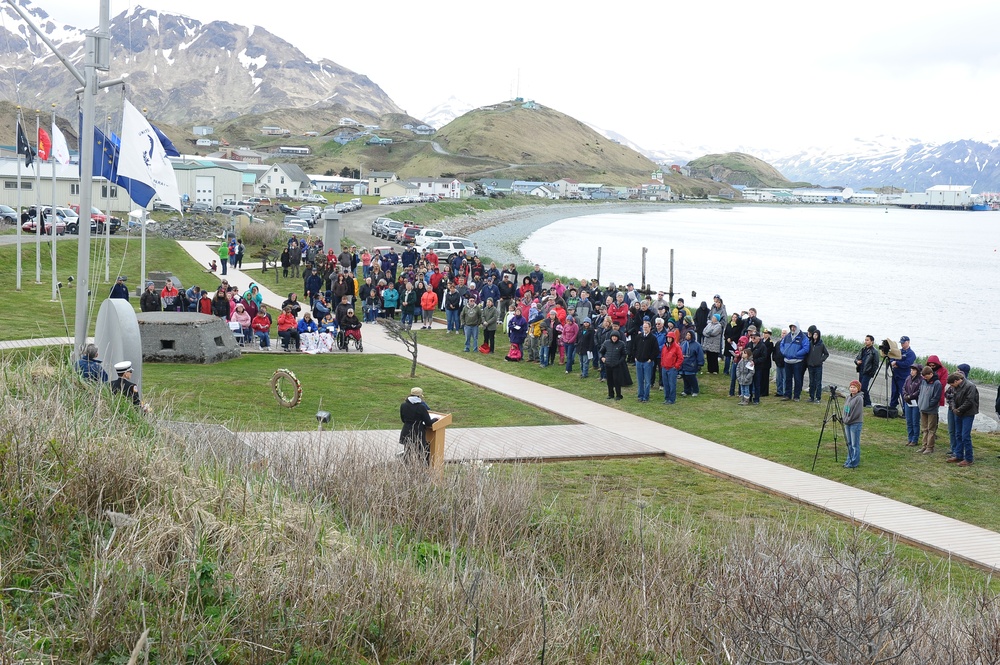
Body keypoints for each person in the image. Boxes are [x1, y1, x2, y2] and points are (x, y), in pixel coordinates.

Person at [947, 372, 979, 467]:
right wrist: (953, 408)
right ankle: (959, 455)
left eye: (952, 384)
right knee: (958, 434)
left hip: (968, 414)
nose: (952, 386)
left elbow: (969, 401)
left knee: (965, 436)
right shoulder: (955, 387)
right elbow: (951, 398)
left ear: (957, 381)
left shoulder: (970, 386)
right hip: (957, 413)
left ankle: (969, 458)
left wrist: (959, 410)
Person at [400, 387, 436, 464]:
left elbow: (403, 419)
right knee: (421, 452)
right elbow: (428, 422)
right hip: (418, 431)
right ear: (419, 396)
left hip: (406, 430)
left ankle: (406, 468)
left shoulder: (403, 405)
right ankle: (423, 468)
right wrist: (435, 419)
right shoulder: (421, 407)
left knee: (408, 452)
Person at [779, 323, 810, 401]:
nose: (793, 329)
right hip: (787, 361)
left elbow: (806, 348)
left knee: (797, 379)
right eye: (791, 327)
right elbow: (781, 345)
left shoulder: (803, 337)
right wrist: (784, 352)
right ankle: (787, 395)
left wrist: (796, 354)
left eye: (794, 327)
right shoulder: (787, 336)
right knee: (788, 379)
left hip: (797, 362)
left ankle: (796, 396)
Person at [600, 329, 631, 400]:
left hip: (617, 366)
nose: (614, 338)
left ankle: (618, 395)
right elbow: (601, 351)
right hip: (608, 364)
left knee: (617, 380)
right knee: (609, 381)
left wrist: (619, 362)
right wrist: (602, 357)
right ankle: (610, 394)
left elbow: (624, 355)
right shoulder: (606, 343)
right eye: (613, 336)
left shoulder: (621, 344)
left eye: (615, 337)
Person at [917, 365, 942, 454]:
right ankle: (924, 446)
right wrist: (920, 403)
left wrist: (928, 405)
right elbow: (920, 393)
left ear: (931, 374)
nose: (924, 378)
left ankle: (930, 447)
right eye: (923, 376)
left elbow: (936, 398)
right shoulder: (923, 381)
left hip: (931, 410)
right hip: (923, 408)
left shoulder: (937, 383)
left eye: (926, 376)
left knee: (931, 429)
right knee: (924, 428)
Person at [889, 336, 915, 411]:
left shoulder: (911, 354)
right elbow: (891, 358)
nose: (902, 344)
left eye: (904, 343)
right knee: (894, 392)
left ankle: (905, 411)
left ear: (908, 342)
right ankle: (892, 408)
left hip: (904, 377)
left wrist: (897, 363)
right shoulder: (898, 351)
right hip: (895, 375)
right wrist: (892, 362)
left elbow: (907, 364)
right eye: (901, 343)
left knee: (903, 393)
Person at [842, 380, 864, 469]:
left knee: (855, 444)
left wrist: (848, 419)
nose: (852, 389)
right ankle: (849, 460)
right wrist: (844, 418)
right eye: (851, 387)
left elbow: (856, 412)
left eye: (854, 387)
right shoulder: (848, 397)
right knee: (849, 443)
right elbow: (845, 409)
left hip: (855, 423)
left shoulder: (859, 398)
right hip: (847, 422)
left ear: (858, 389)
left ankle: (854, 462)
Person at [901, 364, 923, 447]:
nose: (912, 371)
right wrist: (905, 395)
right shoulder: (908, 378)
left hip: (916, 403)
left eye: (913, 370)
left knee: (915, 422)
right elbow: (904, 387)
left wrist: (911, 396)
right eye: (911, 370)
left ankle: (915, 439)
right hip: (908, 402)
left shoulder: (921, 380)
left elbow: (919, 391)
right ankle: (910, 438)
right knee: (909, 421)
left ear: (917, 371)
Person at [854, 335, 879, 407]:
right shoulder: (863, 349)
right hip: (861, 370)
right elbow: (856, 358)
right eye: (865, 340)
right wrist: (857, 362)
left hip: (867, 372)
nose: (866, 341)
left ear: (872, 342)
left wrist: (871, 373)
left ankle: (868, 402)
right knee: (860, 387)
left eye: (867, 340)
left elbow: (875, 364)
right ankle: (862, 402)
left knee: (864, 387)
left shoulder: (874, 351)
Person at [805, 329, 830, 403]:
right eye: (814, 334)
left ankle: (818, 397)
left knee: (818, 382)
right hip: (810, 365)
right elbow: (807, 353)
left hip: (818, 366)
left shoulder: (821, 344)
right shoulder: (810, 343)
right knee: (811, 381)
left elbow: (826, 354)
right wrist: (808, 360)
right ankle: (811, 396)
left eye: (816, 335)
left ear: (819, 336)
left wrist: (821, 360)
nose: (815, 336)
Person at [679, 329, 704, 397]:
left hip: (691, 364)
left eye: (689, 335)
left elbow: (700, 355)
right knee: (685, 378)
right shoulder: (683, 343)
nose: (687, 336)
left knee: (691, 378)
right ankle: (686, 390)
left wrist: (700, 364)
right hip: (684, 364)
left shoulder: (696, 345)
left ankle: (695, 390)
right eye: (687, 335)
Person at [659, 333, 683, 404]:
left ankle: (672, 399)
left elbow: (680, 358)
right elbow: (662, 356)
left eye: (670, 338)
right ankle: (667, 398)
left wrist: (676, 366)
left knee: (672, 384)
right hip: (664, 367)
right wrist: (662, 364)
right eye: (668, 338)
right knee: (666, 384)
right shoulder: (664, 346)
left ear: (673, 338)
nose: (668, 339)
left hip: (672, 369)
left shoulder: (677, 347)